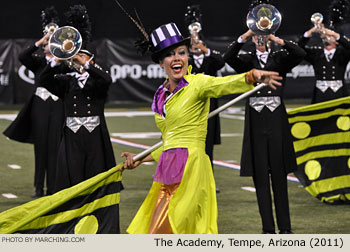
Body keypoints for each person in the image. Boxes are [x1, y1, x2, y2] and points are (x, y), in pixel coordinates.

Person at [121, 22, 282, 234]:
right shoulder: (160, 95)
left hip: (192, 168)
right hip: (167, 171)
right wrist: (142, 158)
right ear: (161, 62)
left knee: (173, 228)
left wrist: (251, 76)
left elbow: (223, 84)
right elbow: (171, 143)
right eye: (170, 54)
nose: (177, 58)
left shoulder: (197, 83)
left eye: (182, 52)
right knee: (156, 230)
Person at [223, 29, 306, 234]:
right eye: (257, 35)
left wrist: (277, 39)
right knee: (260, 176)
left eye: (263, 35)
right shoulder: (246, 60)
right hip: (256, 120)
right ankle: (267, 229)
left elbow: (300, 54)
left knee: (279, 175)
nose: (260, 38)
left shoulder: (280, 57)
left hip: (277, 119)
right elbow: (228, 57)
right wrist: (245, 35)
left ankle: (285, 228)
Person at [3, 7, 64, 197]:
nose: (48, 45)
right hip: (40, 106)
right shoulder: (38, 61)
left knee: (54, 148)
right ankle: (38, 188)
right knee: (41, 149)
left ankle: (53, 188)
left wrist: (60, 50)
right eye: (48, 42)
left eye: (51, 43)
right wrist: (40, 41)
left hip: (57, 106)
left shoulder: (62, 62)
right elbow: (22, 56)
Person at [38, 47, 116, 192]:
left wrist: (86, 65)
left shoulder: (98, 82)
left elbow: (107, 79)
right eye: (76, 55)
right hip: (72, 136)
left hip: (94, 135)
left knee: (95, 172)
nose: (77, 57)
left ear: (91, 60)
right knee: (74, 173)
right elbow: (43, 79)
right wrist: (57, 60)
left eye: (82, 55)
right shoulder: (66, 81)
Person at [185, 6, 225, 193]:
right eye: (193, 45)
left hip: (210, 109)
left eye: (198, 44)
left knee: (208, 148)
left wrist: (205, 49)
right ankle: (190, 180)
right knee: (190, 146)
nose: (196, 47)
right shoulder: (186, 63)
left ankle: (209, 181)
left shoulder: (210, 60)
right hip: (191, 109)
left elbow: (221, 61)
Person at [298, 25, 350, 103]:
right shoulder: (316, 54)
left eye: (330, 36)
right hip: (320, 96)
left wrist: (334, 34)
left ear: (336, 41)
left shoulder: (342, 54)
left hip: (339, 95)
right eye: (325, 35)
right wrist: (310, 32)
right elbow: (298, 49)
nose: (327, 37)